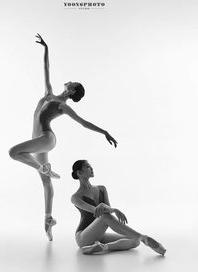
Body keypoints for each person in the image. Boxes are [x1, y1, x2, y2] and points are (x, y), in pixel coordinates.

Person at [9, 34, 117, 241]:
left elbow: (83, 123)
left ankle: (43, 168)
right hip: (39, 140)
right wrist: (46, 48)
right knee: (46, 183)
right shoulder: (49, 93)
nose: (69, 80)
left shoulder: (62, 106)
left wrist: (104, 132)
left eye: (73, 82)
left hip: (46, 138)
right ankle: (49, 219)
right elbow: (46, 69)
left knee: (14, 152)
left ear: (72, 89)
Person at [71, 160, 166, 255]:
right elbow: (96, 211)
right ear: (79, 173)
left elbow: (108, 210)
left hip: (99, 235)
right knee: (104, 216)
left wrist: (109, 208)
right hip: (83, 237)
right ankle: (143, 238)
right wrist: (113, 210)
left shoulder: (101, 189)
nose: (92, 169)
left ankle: (103, 247)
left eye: (91, 166)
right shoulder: (76, 197)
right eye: (88, 167)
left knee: (134, 240)